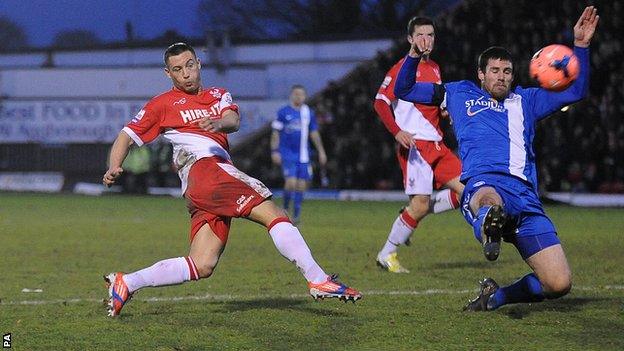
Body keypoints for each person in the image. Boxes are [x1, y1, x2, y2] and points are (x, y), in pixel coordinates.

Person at [102, 43, 361, 317]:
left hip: (202, 186)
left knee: (202, 263)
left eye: (190, 65)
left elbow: (233, 119)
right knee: (273, 213)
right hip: (206, 171)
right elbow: (126, 135)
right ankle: (318, 278)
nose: (186, 73)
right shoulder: (162, 104)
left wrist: (218, 124)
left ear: (199, 64)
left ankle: (127, 283)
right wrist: (114, 165)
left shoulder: (218, 94)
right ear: (168, 74)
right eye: (178, 70)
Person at [394, 7, 598, 310]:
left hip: (526, 199)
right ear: (481, 74)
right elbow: (405, 88)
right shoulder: (458, 94)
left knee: (558, 283)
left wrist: (580, 46)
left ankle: (496, 296)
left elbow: (577, 90)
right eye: (494, 71)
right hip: (485, 183)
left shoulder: (527, 100)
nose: (501, 77)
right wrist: (412, 56)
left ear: (513, 76)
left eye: (506, 72)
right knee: (489, 199)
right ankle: (487, 225)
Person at [374, 16, 464, 273]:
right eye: (421, 35)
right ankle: (387, 254)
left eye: (431, 35)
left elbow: (429, 103)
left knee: (468, 190)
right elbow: (380, 102)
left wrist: (443, 112)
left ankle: (410, 214)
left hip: (437, 144)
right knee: (422, 205)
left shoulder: (435, 67)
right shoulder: (401, 68)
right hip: (416, 147)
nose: (427, 40)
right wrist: (397, 131)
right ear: (410, 39)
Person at [270, 85, 328, 224]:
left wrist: (321, 151)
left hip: (304, 155)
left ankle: (296, 216)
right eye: (296, 94)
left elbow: (314, 133)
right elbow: (275, 133)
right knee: (291, 183)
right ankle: (284, 209)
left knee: (301, 185)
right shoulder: (283, 112)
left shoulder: (308, 112)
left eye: (301, 94)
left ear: (305, 96)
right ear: (291, 95)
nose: (298, 97)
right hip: (288, 154)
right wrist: (274, 151)